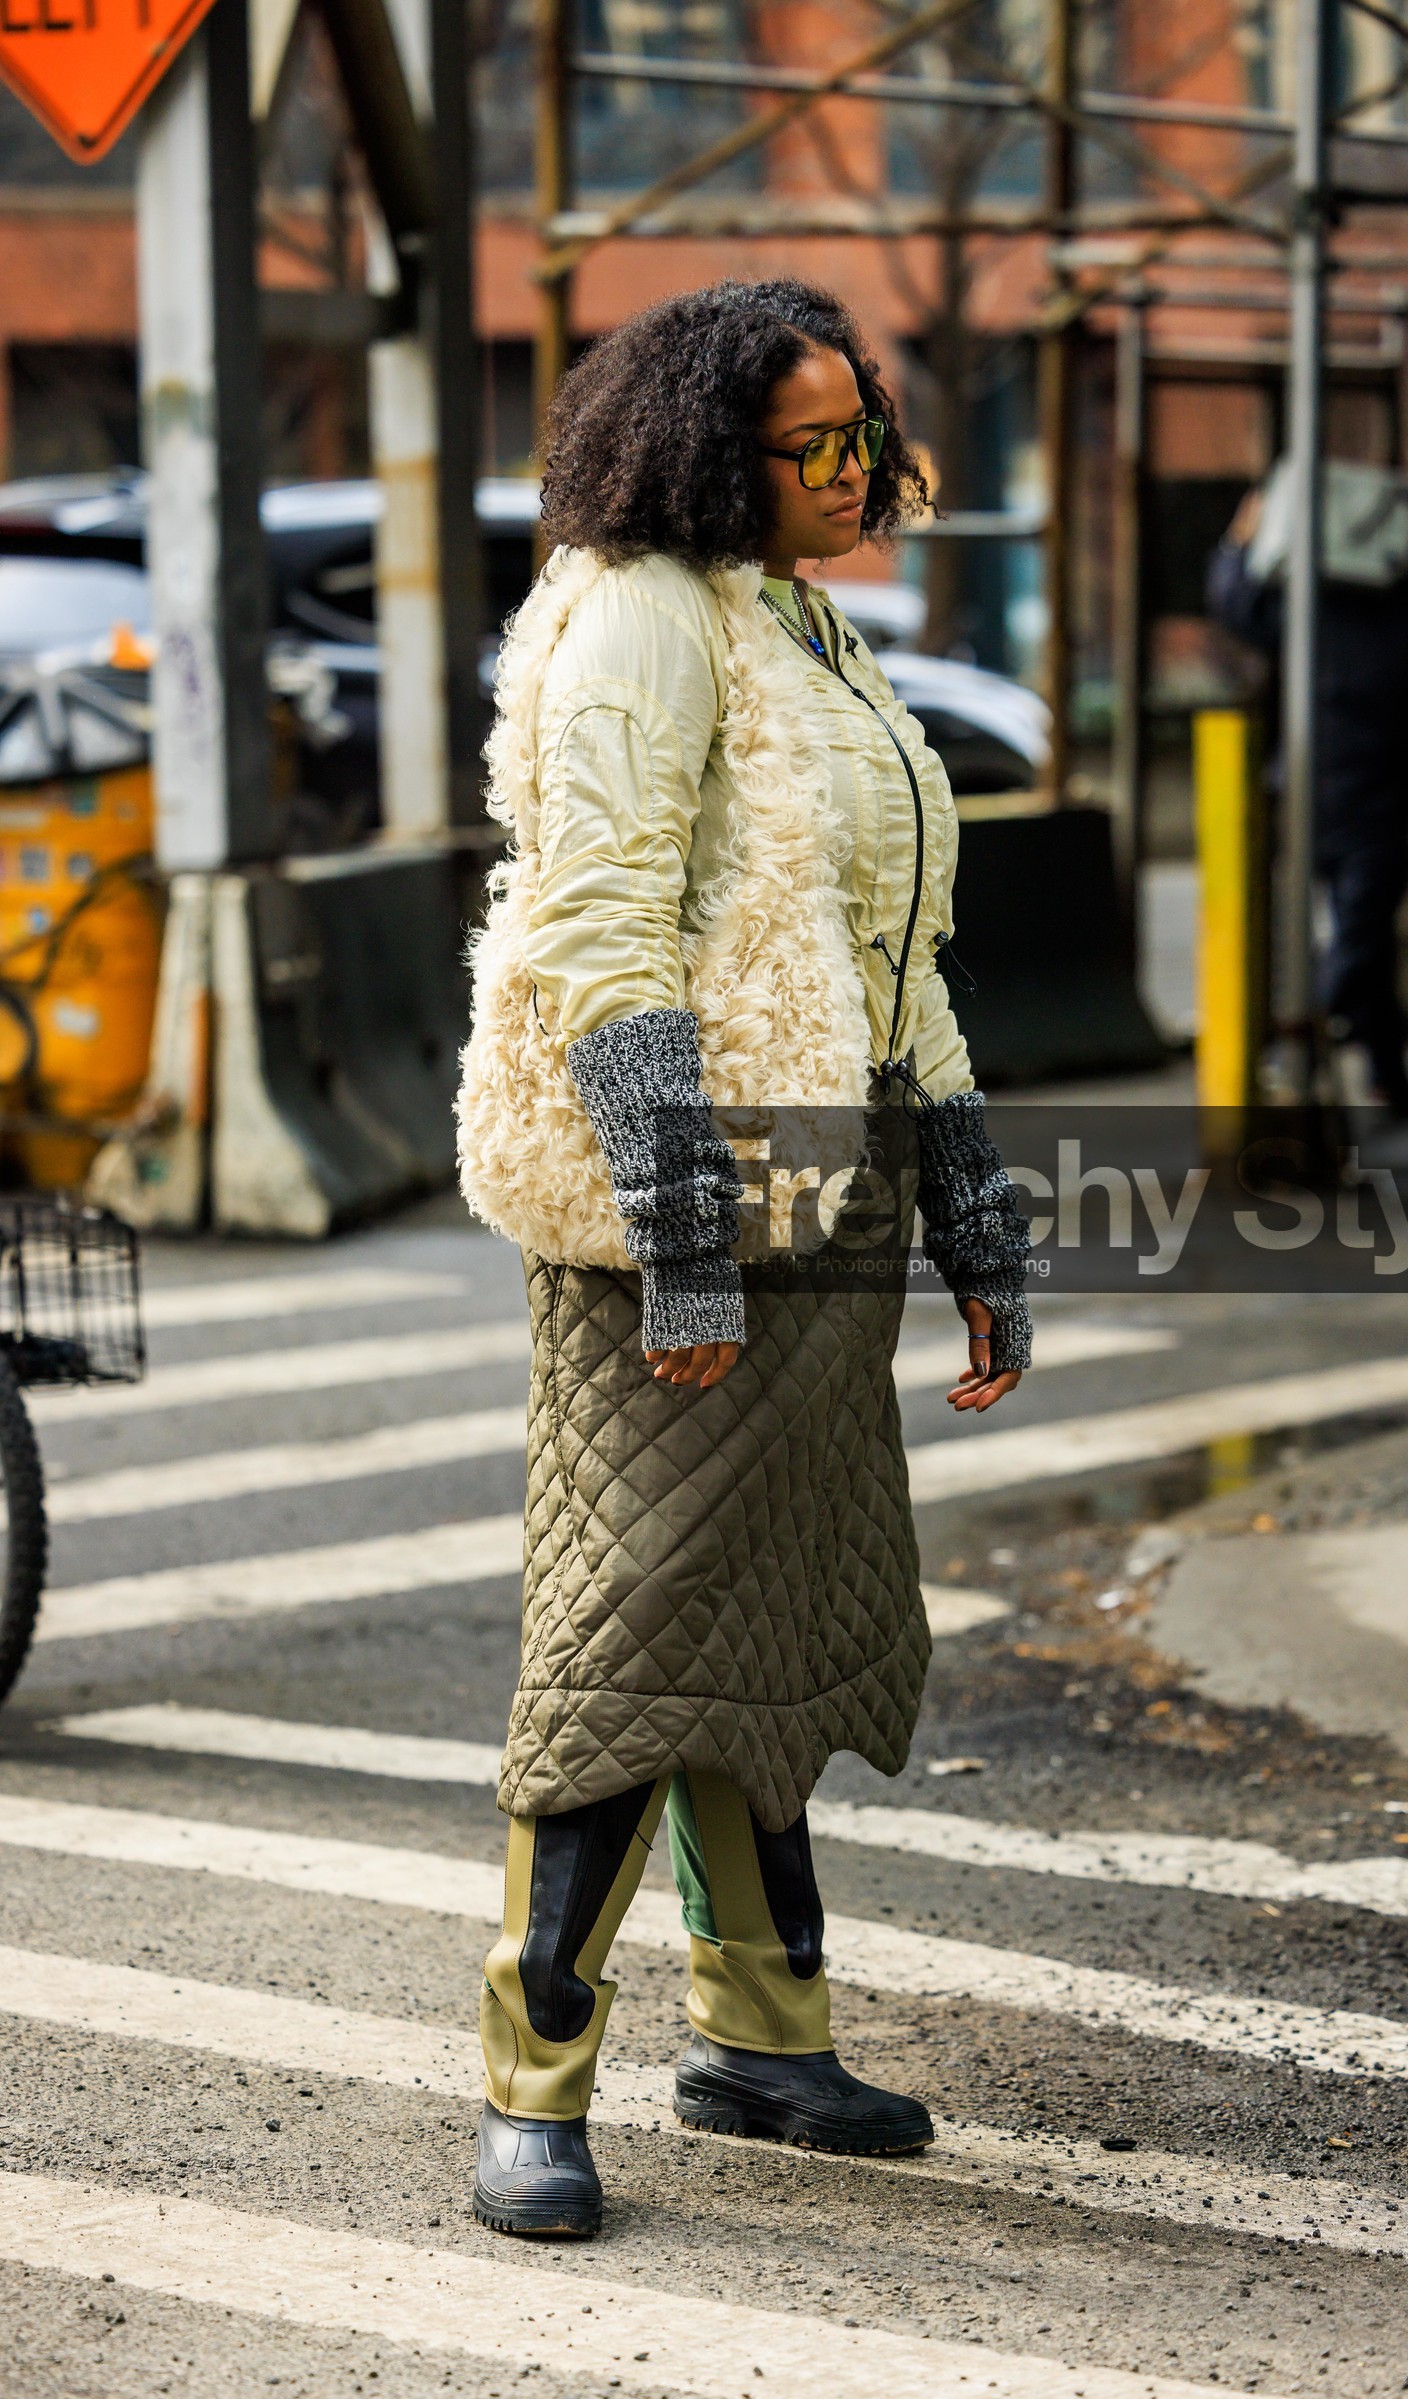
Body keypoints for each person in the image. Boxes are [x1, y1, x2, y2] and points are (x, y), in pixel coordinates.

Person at [455, 278, 1034, 2239]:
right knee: (623, 1649)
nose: (859, 466)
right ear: (714, 448)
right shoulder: (637, 612)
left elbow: (897, 958)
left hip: (826, 1203)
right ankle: (527, 2083)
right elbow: (595, 928)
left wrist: (971, 1216)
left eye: (864, 429)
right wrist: (684, 1234)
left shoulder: (802, 621)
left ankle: (760, 2033)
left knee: (764, 1626)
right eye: (819, 442)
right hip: (677, 1211)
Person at [1207, 494, 1408, 1117]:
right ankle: (1297, 1043)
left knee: (1363, 940)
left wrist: (1235, 546)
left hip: (1304, 796)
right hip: (1380, 805)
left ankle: (1387, 1075)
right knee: (1362, 937)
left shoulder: (1319, 610)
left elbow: (1240, 607)